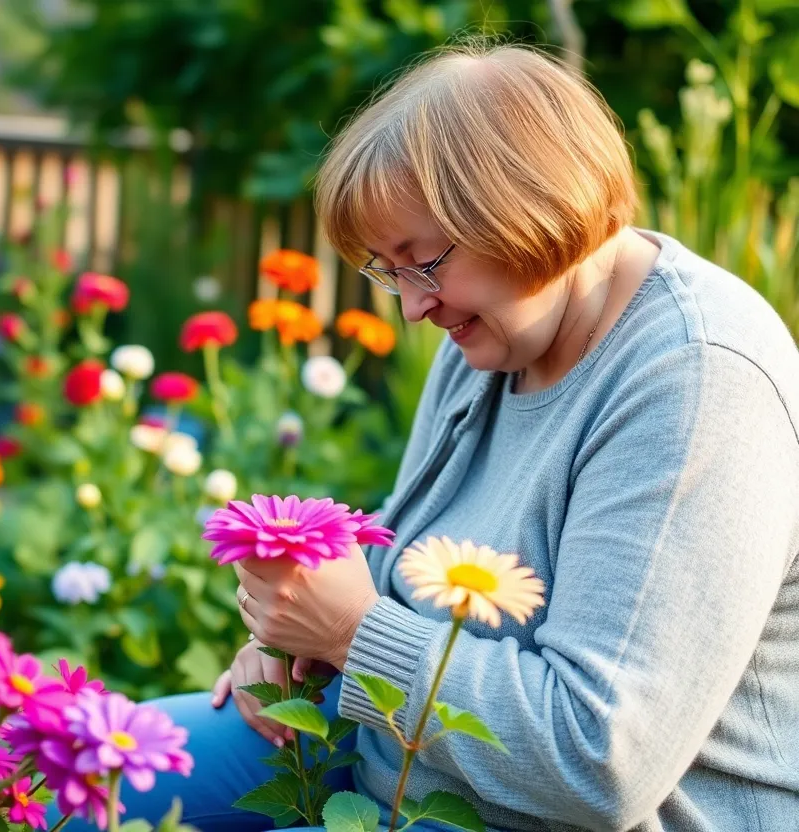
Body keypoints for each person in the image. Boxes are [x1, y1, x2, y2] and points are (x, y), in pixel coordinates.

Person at [54, 42, 799, 832]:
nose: (414, 307)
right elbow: (409, 565)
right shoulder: (495, 335)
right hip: (395, 753)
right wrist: (300, 641)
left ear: (530, 209)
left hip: (542, 815)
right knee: (65, 774)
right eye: (389, 270)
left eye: (424, 262)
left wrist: (351, 631)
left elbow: (602, 763)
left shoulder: (695, 379)